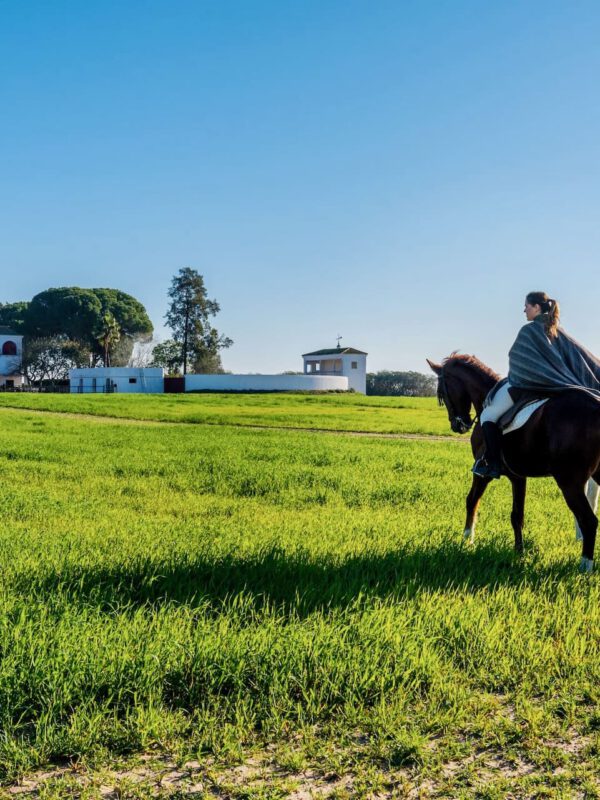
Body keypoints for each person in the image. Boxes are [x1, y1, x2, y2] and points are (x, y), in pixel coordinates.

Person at [473, 291, 600, 479]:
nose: (524, 309)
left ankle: (492, 463)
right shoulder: (559, 331)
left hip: (527, 387)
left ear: (537, 307)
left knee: (488, 415)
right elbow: (581, 359)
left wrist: (529, 377)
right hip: (561, 387)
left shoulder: (529, 330)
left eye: (527, 305)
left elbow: (519, 363)